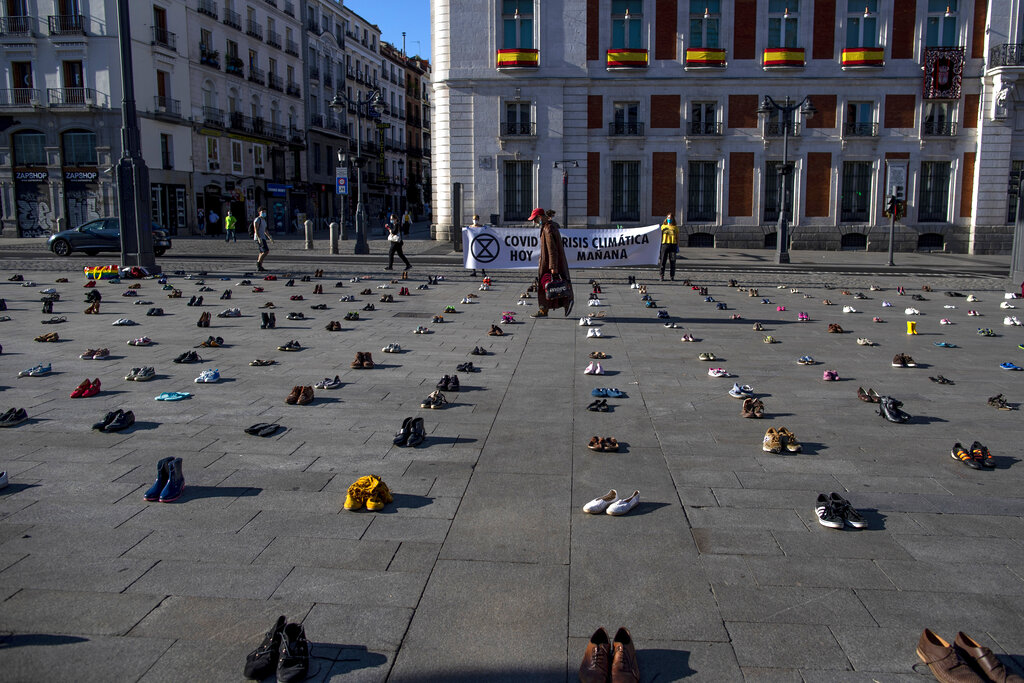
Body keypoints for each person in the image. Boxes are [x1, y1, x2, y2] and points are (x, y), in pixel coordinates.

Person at [530, 208, 573, 318]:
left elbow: (552, 249)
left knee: (547, 286)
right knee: (556, 285)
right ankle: (563, 302)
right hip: (551, 262)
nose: (534, 222)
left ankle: (564, 302)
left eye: (535, 220)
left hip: (548, 263)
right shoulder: (549, 226)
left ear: (540, 217)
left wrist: (553, 267)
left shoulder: (547, 229)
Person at [659, 212, 679, 281]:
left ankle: (672, 276)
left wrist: (677, 246)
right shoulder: (663, 227)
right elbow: (660, 236)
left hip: (673, 245)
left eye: (670, 218)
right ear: (666, 218)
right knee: (663, 261)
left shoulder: (675, 227)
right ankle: (662, 275)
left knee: (672, 261)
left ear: (672, 219)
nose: (669, 219)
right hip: (664, 245)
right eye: (668, 218)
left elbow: (677, 237)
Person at [252, 207, 272, 271]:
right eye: (262, 212)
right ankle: (258, 264)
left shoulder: (263, 220)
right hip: (259, 238)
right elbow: (256, 229)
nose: (264, 213)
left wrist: (269, 237)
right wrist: (258, 238)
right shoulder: (257, 220)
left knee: (262, 251)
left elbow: (265, 230)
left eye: (265, 212)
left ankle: (259, 266)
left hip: (263, 237)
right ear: (259, 212)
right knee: (266, 251)